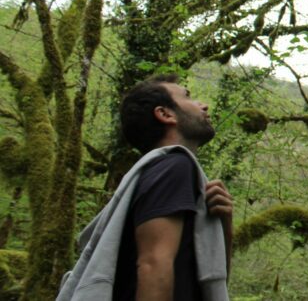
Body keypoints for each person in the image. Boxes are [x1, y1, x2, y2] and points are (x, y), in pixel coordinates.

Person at [57, 75, 232, 301]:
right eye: (188, 96)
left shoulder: (160, 174)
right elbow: (153, 263)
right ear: (165, 114)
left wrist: (224, 226)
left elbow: (208, 278)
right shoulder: (174, 166)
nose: (203, 105)